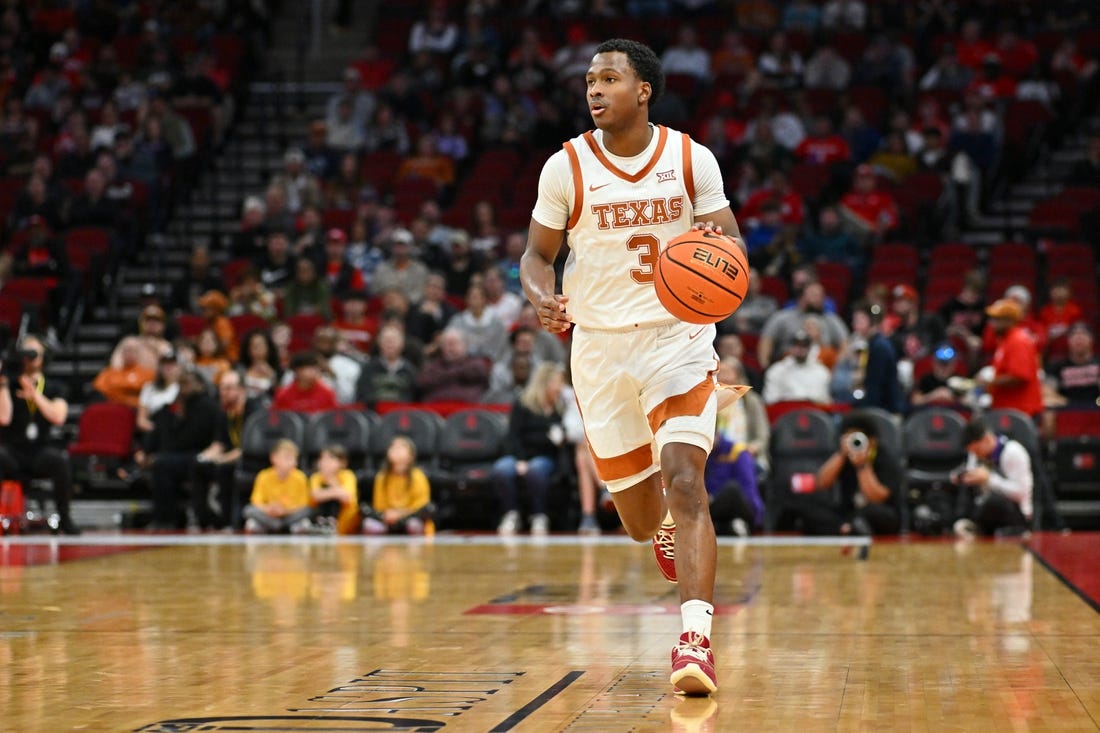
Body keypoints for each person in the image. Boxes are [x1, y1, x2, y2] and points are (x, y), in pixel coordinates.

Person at [519, 38, 747, 696]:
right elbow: (536, 256)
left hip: (678, 339)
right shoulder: (565, 167)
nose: (593, 89)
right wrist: (542, 297)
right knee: (644, 520)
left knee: (686, 479)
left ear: (643, 89)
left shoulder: (687, 157)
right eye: (589, 80)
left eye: (608, 78)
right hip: (599, 349)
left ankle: (695, 640)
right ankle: (665, 532)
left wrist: (720, 257)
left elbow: (730, 237)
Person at [0, 335, 80, 534]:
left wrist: (34, 394)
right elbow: (4, 418)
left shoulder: (55, 387)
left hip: (39, 452)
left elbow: (59, 417)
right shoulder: (9, 384)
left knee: (59, 460)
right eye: (25, 353)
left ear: (43, 357)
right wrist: (2, 384)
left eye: (34, 353)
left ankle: (65, 517)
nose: (29, 358)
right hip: (12, 452)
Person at [789, 413, 903, 536]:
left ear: (872, 441)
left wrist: (862, 466)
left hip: (876, 511)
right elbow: (822, 483)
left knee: (875, 513)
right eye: (849, 438)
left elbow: (879, 497)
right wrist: (841, 455)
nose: (854, 443)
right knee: (808, 507)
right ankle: (848, 528)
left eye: (858, 439)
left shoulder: (884, 458)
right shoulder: (843, 456)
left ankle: (850, 528)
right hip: (848, 512)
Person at [493, 362, 568, 537]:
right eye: (558, 382)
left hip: (546, 456)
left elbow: (565, 434)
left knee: (536, 470)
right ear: (546, 383)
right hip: (519, 455)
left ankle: (539, 515)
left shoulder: (560, 407)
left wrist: (561, 439)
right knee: (501, 470)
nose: (560, 388)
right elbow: (513, 436)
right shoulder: (522, 404)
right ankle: (511, 514)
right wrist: (520, 460)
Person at [705, 357, 769, 536]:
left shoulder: (751, 401)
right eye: (720, 372)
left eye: (728, 372)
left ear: (738, 376)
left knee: (734, 486)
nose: (723, 375)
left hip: (745, 452)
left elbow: (762, 435)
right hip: (714, 453)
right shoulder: (709, 400)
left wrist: (752, 449)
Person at [952, 417, 1033, 538]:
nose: (975, 455)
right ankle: (964, 522)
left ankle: (975, 526)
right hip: (984, 509)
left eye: (977, 450)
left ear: (987, 439)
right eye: (972, 452)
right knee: (963, 487)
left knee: (994, 501)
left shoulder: (1014, 452)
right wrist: (960, 477)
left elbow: (1021, 493)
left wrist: (989, 479)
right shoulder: (975, 455)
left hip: (1015, 513)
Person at [978, 298, 1043, 418]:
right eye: (992, 318)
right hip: (1009, 411)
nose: (992, 323)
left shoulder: (1018, 341)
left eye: (997, 319)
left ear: (1009, 320)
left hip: (1021, 412)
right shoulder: (1005, 340)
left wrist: (990, 382)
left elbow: (1020, 376)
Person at [361, 435, 433, 535]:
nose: (396, 449)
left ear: (411, 455)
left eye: (401, 447)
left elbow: (421, 506)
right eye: (393, 447)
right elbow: (379, 505)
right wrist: (388, 514)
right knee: (369, 525)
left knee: (414, 525)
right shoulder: (382, 476)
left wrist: (400, 514)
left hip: (410, 518)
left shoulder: (418, 476)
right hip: (388, 519)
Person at [242, 439, 314, 534]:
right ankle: (279, 526)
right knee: (249, 510)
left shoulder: (300, 477)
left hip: (290, 515)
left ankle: (276, 526)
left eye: (294, 458)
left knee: (308, 511)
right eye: (288, 458)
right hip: (269, 515)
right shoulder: (263, 476)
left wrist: (285, 511)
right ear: (274, 458)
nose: (292, 462)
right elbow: (256, 503)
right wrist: (269, 509)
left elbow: (303, 505)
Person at [309, 444, 359, 535]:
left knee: (334, 499)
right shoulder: (316, 477)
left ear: (342, 462)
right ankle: (324, 523)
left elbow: (346, 497)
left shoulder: (347, 475)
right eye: (322, 459)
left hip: (344, 518)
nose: (324, 462)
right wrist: (335, 492)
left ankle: (331, 523)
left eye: (330, 459)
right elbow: (315, 496)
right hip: (320, 517)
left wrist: (332, 482)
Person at [272, 351, 339, 414]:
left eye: (317, 368)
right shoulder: (283, 394)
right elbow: (276, 418)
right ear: (297, 371)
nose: (315, 372)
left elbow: (332, 418)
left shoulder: (327, 393)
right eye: (310, 368)